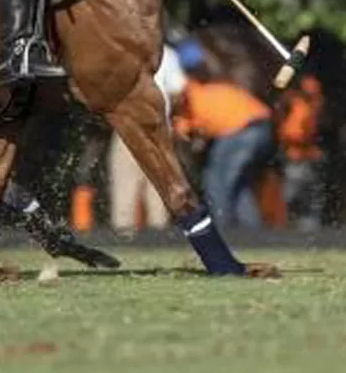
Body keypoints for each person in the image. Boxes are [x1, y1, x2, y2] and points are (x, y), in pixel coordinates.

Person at [106, 38, 197, 233]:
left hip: (128, 124)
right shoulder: (168, 54)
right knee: (158, 186)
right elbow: (178, 92)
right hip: (159, 127)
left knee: (125, 183)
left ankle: (124, 233)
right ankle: (159, 233)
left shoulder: (122, 51)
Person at [175, 68, 275, 228]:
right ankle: (252, 231)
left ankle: (224, 228)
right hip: (262, 128)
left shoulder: (191, 99)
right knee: (238, 183)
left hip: (239, 131)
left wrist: (186, 134)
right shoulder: (211, 90)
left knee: (216, 180)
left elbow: (192, 135)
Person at [275, 69, 325, 230]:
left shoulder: (308, 106)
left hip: (303, 156)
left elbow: (301, 133)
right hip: (296, 156)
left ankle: (304, 224)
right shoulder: (295, 103)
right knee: (296, 194)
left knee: (304, 193)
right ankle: (289, 222)